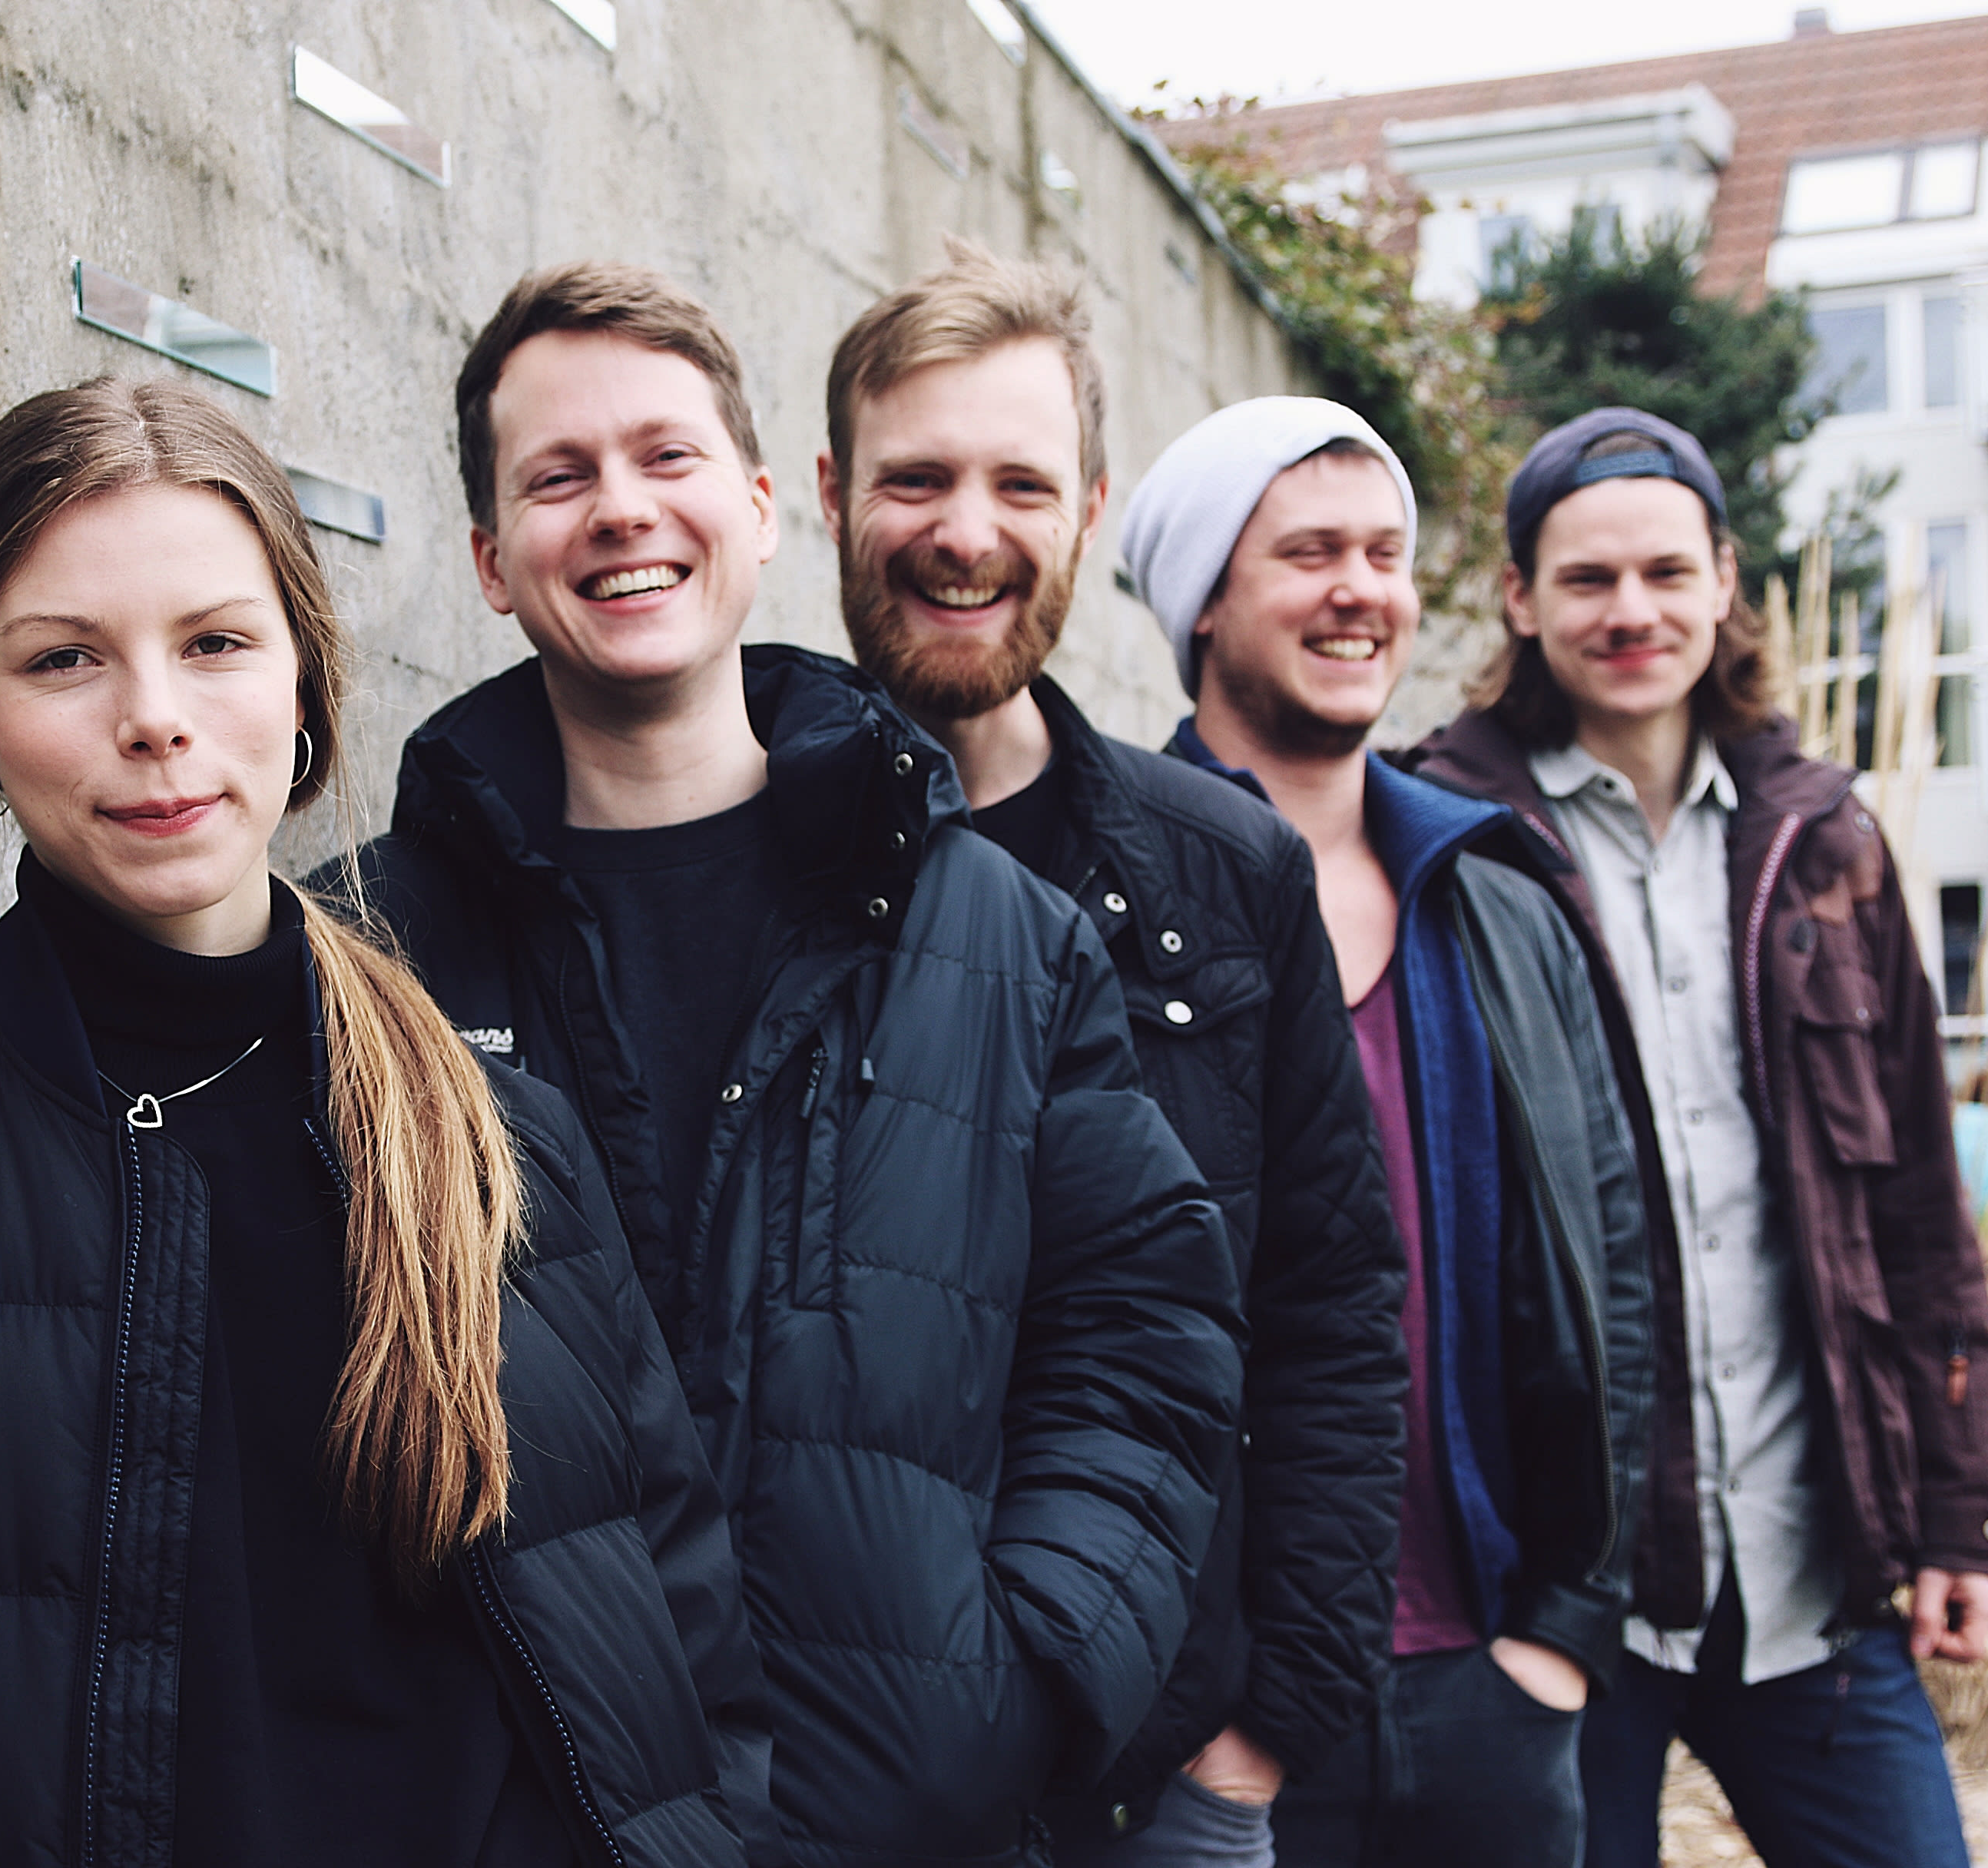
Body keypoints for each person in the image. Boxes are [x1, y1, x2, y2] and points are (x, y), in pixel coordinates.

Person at [0, 377, 776, 1868]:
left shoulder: (498, 1138)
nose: (154, 719)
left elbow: (688, 1687)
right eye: (63, 658)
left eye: (216, 643)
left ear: (305, 681)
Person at [327, 261, 1245, 1867]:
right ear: (489, 559)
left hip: (906, 1824)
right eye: (559, 475)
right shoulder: (368, 956)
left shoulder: (1001, 938)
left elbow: (1141, 1342)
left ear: (761, 510)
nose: (622, 507)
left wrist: (1018, 1687)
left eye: (666, 456)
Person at [818, 244, 1408, 1868]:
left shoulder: (1227, 871)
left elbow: (1331, 1307)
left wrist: (1267, 1728)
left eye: (1021, 483)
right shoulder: (742, 851)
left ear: (1087, 511)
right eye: (916, 479)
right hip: (819, 1776)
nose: (967, 532)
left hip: (1164, 1778)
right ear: (830, 494)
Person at [1413, 406, 1988, 1868]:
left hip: (1816, 1583)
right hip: (1567, 1608)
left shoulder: (1829, 841)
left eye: (1667, 573)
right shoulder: (1442, 838)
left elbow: (1921, 1212)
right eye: (1588, 579)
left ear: (1726, 582)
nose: (1632, 612)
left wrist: (1963, 1520)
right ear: (1519, 598)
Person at [1118, 396, 1655, 1866]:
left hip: (1491, 1679)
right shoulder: (1096, 896)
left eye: (1386, 553)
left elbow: (1614, 1268)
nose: (1361, 590)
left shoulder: (1498, 897)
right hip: (1215, 1716)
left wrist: (1562, 1633)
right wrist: (1193, 1711)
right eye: (1309, 554)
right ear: (1205, 601)